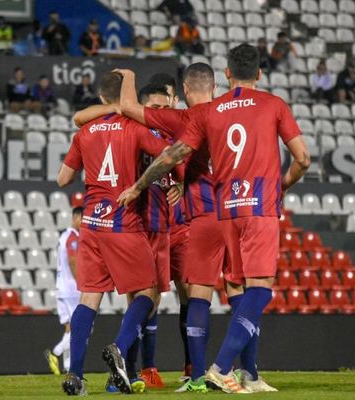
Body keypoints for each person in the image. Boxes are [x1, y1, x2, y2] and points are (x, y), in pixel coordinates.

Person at [118, 44, 311, 393]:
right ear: (260, 73)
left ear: (227, 74)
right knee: (257, 289)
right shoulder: (272, 105)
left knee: (211, 292)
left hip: (222, 212)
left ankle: (227, 376)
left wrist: (139, 185)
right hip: (257, 207)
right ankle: (225, 369)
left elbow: (171, 153)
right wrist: (282, 186)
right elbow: (304, 159)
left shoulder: (208, 113)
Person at [73, 67, 214, 389]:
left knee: (185, 296)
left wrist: (179, 179)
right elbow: (80, 118)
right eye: (154, 108)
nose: (160, 113)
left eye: (165, 107)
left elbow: (186, 160)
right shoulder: (138, 126)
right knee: (143, 300)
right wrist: (116, 107)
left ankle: (190, 367)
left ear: (175, 101)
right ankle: (133, 370)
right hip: (141, 223)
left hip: (176, 226)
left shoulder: (185, 124)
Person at [57, 72, 174, 396]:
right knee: (148, 293)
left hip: (92, 223)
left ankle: (75, 376)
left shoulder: (85, 132)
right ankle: (120, 348)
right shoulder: (134, 128)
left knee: (88, 299)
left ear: (99, 97)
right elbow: (168, 155)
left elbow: (63, 178)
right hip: (123, 220)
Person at [45, 206, 83, 376]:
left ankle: (68, 366)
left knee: (70, 327)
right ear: (76, 218)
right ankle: (56, 353)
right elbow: (73, 261)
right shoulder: (73, 237)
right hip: (71, 289)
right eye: (83, 218)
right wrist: (80, 282)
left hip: (62, 287)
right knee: (82, 327)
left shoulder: (64, 236)